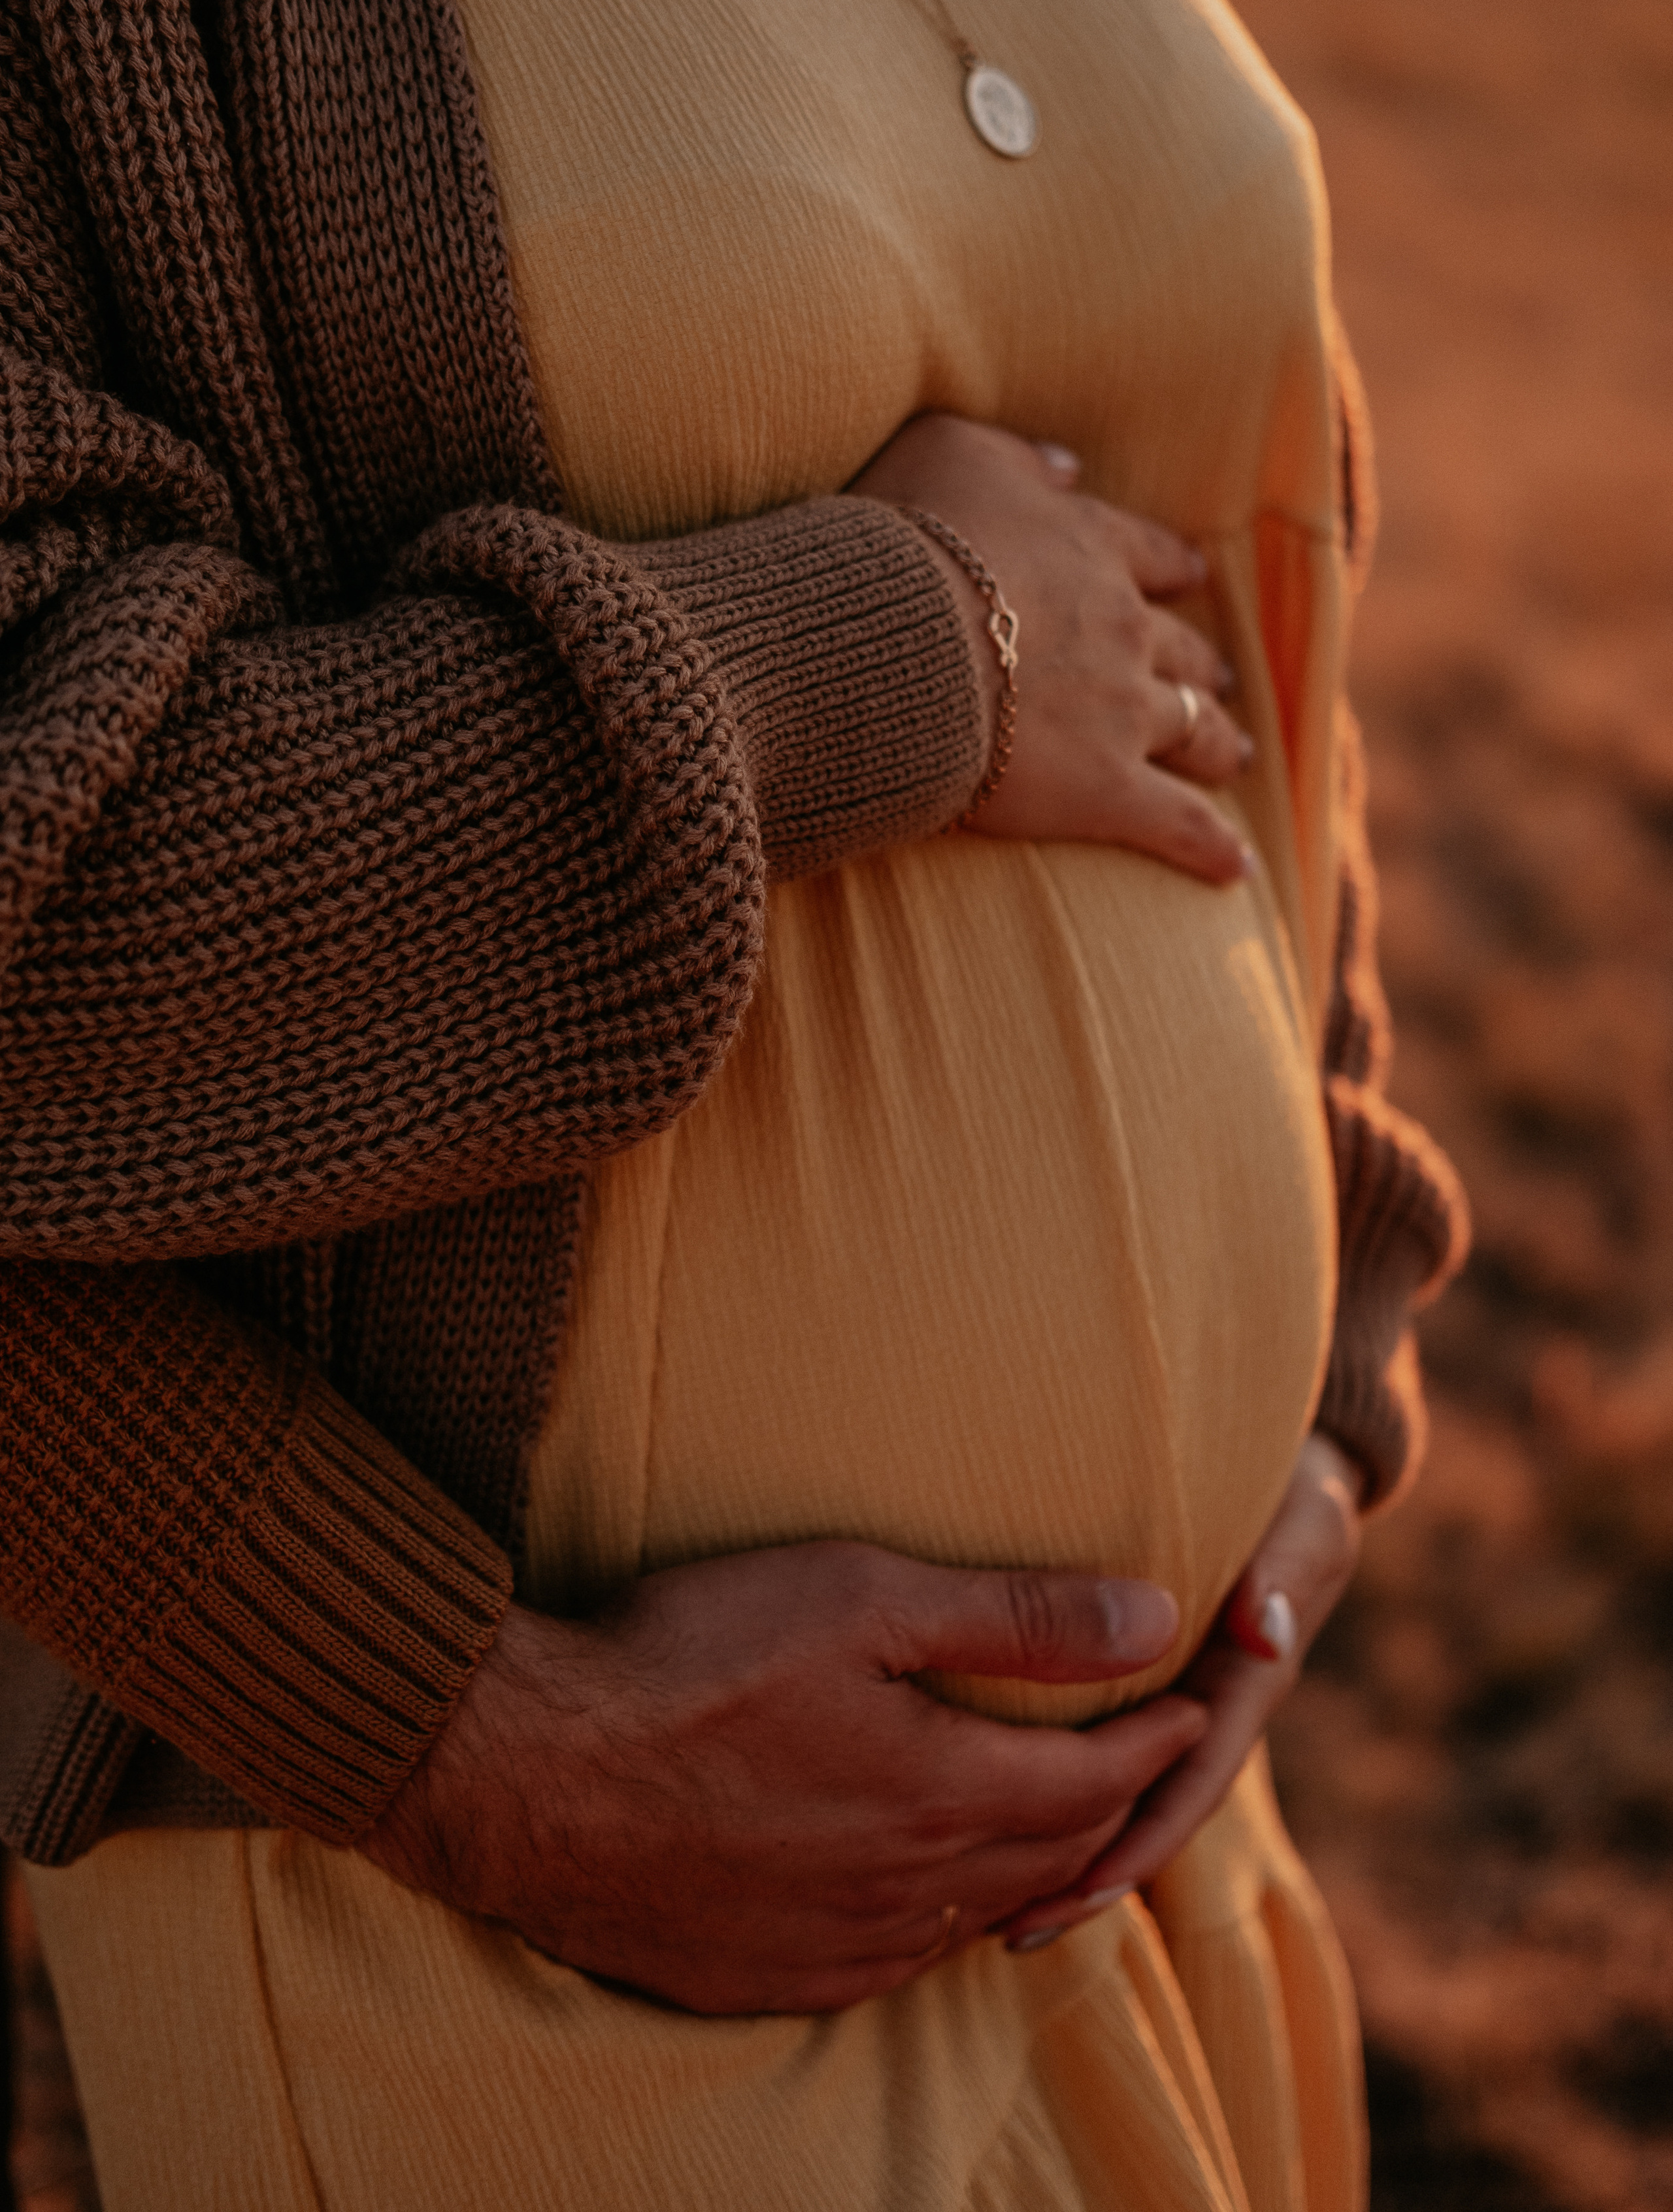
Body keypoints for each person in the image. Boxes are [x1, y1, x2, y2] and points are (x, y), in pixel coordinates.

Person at [0, 0, 1467, 2204]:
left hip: (1177, 1872)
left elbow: (1244, 583)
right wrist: (457, 1737)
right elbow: (49, 924)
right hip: (541, 1965)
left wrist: (1329, 1329)